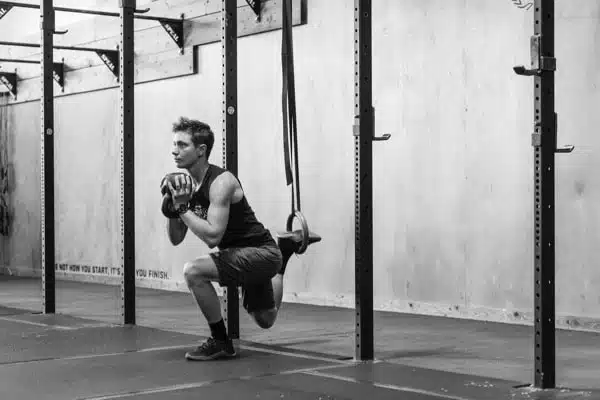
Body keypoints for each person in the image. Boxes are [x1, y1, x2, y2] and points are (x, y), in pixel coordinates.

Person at [161, 117, 298, 361]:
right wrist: (172, 209)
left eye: (182, 145)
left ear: (201, 150)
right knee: (266, 319)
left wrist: (182, 209)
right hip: (240, 256)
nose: (175, 150)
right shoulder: (187, 186)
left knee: (193, 271)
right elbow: (176, 238)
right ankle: (284, 255)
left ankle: (221, 341)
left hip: (260, 252)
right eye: (174, 144)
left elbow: (213, 236)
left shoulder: (221, 182)